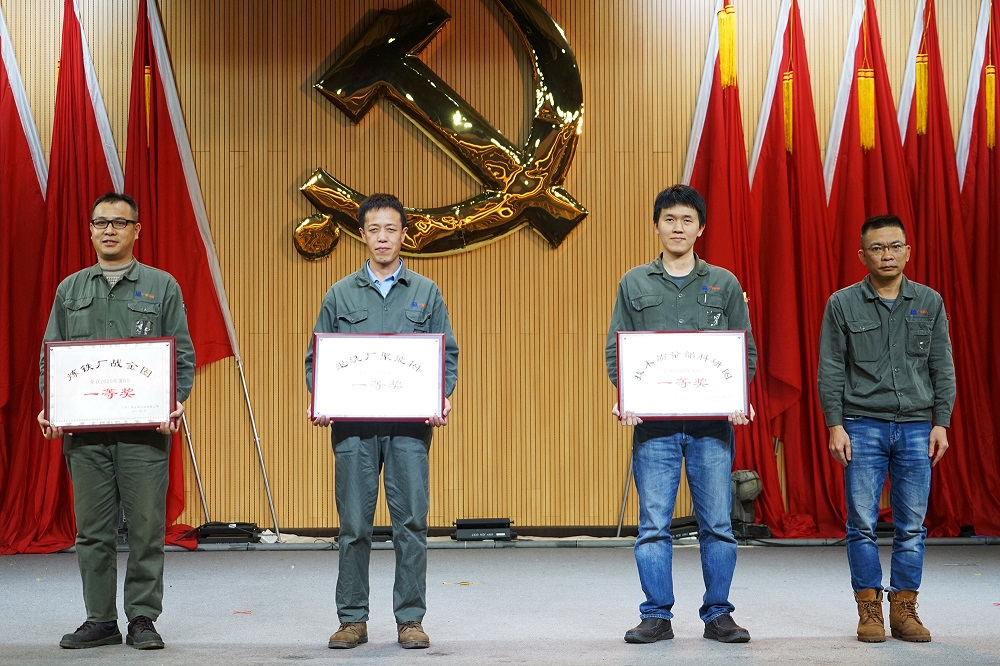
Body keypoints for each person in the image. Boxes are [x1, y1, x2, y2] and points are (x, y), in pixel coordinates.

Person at [37, 192, 194, 650]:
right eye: (100, 222)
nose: (109, 230)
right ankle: (100, 619)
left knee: (146, 529)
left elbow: (181, 357)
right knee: (92, 532)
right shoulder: (70, 290)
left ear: (136, 230)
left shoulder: (162, 286)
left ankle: (142, 618)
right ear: (90, 230)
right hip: (85, 437)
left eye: (119, 223)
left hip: (145, 435)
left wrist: (174, 402)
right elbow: (51, 359)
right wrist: (53, 407)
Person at [305, 193, 459, 651]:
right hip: (354, 430)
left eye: (391, 229)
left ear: (404, 235)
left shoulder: (426, 292)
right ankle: (352, 620)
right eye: (374, 229)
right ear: (362, 235)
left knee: (411, 523)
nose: (383, 237)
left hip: (410, 428)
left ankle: (410, 619)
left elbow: (446, 354)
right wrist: (321, 398)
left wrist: (441, 395)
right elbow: (317, 358)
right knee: (354, 525)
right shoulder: (339, 293)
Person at [606, 184, 756, 645]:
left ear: (700, 228)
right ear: (657, 225)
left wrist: (739, 395)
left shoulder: (724, 283)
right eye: (669, 219)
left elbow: (744, 350)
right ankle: (656, 615)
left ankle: (719, 615)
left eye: (687, 220)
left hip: (712, 428)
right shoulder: (634, 282)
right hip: (654, 429)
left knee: (718, 525)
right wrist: (626, 396)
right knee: (653, 526)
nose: (677, 227)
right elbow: (617, 350)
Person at [819, 214, 955, 643]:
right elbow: (831, 368)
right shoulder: (842, 303)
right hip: (862, 425)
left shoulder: (929, 301)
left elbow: (942, 366)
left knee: (912, 525)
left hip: (916, 426)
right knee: (861, 523)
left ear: (907, 251)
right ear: (862, 255)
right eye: (877, 248)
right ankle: (869, 610)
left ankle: (905, 609)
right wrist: (835, 425)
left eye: (895, 246)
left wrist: (942, 423)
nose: (887, 254)